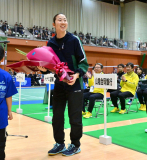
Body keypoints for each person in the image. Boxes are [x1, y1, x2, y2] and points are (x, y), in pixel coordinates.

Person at [37, 13, 88, 156]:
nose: (63, 22)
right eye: (60, 20)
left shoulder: (74, 40)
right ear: (54, 24)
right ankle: (59, 143)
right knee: (57, 116)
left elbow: (83, 62)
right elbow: (50, 65)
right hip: (59, 85)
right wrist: (43, 69)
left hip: (75, 85)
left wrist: (76, 75)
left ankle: (75, 144)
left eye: (65, 19)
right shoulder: (51, 43)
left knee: (75, 117)